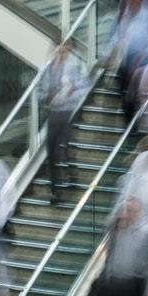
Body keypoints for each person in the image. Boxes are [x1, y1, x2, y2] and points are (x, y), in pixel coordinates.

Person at [41, 41, 88, 198]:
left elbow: (84, 85)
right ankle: (55, 191)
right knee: (51, 151)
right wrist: (45, 98)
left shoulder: (73, 66)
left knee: (65, 147)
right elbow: (39, 90)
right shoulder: (47, 68)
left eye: (64, 49)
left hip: (68, 112)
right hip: (53, 113)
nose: (61, 51)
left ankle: (71, 176)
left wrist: (71, 92)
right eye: (59, 48)